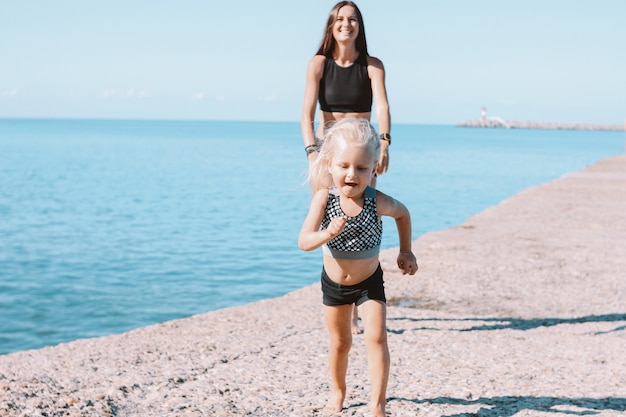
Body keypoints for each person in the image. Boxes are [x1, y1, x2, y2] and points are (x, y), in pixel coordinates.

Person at [298, 118, 417, 417]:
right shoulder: (324, 199)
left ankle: (377, 405)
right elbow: (304, 241)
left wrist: (406, 250)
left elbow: (403, 214)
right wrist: (327, 233)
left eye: (362, 168)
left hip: (369, 282)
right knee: (341, 343)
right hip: (334, 284)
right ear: (330, 165)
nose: (352, 174)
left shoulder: (376, 201)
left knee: (377, 337)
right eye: (344, 166)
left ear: (374, 167)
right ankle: (338, 392)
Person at [301, 1, 392, 334]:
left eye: (352, 19)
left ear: (359, 26)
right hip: (328, 154)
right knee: (328, 217)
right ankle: (341, 297)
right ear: (331, 25)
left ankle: (365, 294)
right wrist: (312, 151)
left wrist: (384, 142)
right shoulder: (318, 64)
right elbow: (306, 112)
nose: (346, 24)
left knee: (365, 217)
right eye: (340, 19)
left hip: (363, 152)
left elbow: (382, 104)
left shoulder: (372, 65)